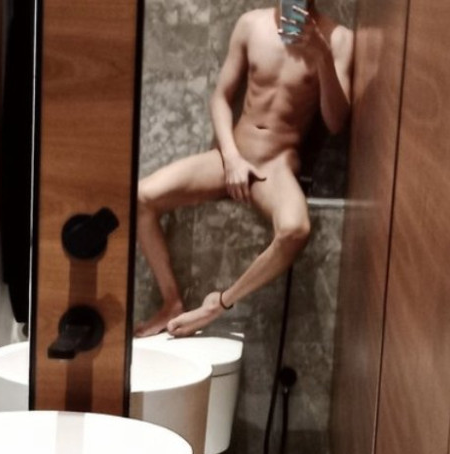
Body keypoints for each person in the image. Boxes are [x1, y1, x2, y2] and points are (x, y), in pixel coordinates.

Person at [136, 3, 353, 338]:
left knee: (295, 229)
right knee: (141, 197)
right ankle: (171, 302)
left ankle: (216, 305)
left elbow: (336, 122)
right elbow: (220, 98)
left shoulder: (338, 39)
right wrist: (231, 156)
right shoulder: (251, 25)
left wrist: (322, 55)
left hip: (277, 165)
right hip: (231, 155)